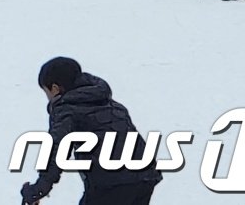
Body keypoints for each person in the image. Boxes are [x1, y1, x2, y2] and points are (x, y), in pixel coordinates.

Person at [19, 57, 163, 205]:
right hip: (145, 176)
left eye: (46, 92)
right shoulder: (108, 102)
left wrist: (39, 189)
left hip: (111, 184)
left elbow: (57, 149)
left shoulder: (66, 110)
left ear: (55, 89)